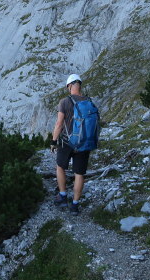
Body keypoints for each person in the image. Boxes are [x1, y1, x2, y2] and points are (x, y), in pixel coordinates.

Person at [50, 73, 91, 215]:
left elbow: (59, 124)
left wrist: (53, 141)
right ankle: (75, 205)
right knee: (79, 174)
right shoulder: (89, 101)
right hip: (84, 142)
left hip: (67, 142)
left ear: (69, 86)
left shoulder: (65, 102)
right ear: (79, 84)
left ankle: (62, 196)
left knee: (60, 167)